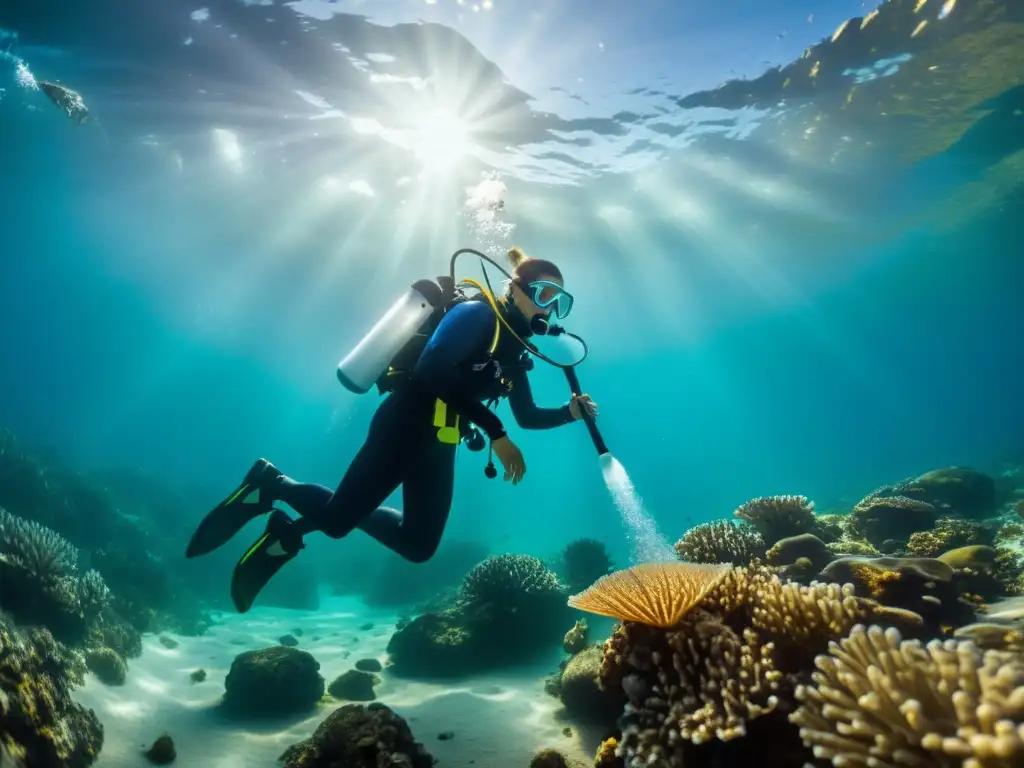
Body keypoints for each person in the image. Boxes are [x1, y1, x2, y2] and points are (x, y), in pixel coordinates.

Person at [186, 247, 598, 612]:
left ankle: (305, 519)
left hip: (442, 442)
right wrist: (495, 431)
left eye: (560, 304)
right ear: (516, 289)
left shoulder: (513, 351)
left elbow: (526, 416)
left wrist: (569, 412)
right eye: (545, 295)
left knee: (418, 545)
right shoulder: (476, 315)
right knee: (336, 524)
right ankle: (270, 483)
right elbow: (431, 367)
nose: (550, 310)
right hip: (404, 424)